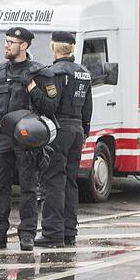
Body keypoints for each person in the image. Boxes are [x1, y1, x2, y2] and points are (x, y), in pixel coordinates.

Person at [0, 27, 59, 251]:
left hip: (28, 139)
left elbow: (51, 106)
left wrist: (32, 88)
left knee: (28, 188)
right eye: (6, 41)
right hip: (3, 136)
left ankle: (27, 234)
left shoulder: (40, 73)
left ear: (24, 46)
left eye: (11, 42)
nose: (6, 45)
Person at [37, 32, 92, 248]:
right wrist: (85, 131)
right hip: (77, 129)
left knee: (53, 181)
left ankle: (52, 232)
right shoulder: (84, 73)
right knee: (70, 181)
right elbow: (88, 106)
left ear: (54, 47)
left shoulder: (55, 72)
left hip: (58, 129)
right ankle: (69, 230)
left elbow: (50, 105)